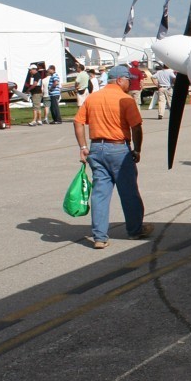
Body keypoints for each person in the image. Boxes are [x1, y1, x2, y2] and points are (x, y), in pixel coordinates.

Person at [73, 64, 152, 249]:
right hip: (118, 149)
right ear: (119, 80)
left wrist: (83, 146)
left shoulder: (93, 98)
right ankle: (135, 230)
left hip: (96, 149)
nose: (129, 84)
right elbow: (136, 127)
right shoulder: (125, 100)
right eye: (128, 80)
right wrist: (137, 149)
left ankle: (99, 237)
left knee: (100, 194)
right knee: (129, 192)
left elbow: (78, 122)